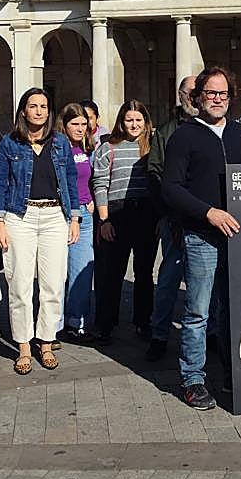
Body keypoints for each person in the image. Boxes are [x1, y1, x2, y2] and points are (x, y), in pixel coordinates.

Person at [162, 67, 241, 410]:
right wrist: (208, 212)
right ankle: (193, 378)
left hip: (237, 238)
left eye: (223, 94)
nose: (217, 100)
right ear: (198, 97)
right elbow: (171, 189)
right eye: (211, 93)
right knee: (197, 312)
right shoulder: (184, 136)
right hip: (202, 236)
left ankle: (233, 373)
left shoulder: (240, 135)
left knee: (235, 310)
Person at [0, 88, 81, 374]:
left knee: (53, 283)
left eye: (43, 106)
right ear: (23, 111)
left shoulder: (60, 143)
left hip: (55, 216)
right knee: (19, 285)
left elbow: (70, 180)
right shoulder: (10, 143)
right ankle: (24, 346)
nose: (39, 111)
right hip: (21, 216)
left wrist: (75, 218)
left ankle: (46, 341)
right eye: (33, 106)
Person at [91, 100, 156, 344]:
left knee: (144, 273)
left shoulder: (151, 146)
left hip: (146, 212)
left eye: (139, 120)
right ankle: (105, 324)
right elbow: (99, 184)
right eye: (129, 119)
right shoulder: (109, 147)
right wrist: (104, 220)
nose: (134, 124)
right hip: (116, 213)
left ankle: (143, 321)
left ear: (145, 122)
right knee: (112, 273)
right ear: (121, 121)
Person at [145, 76, 199, 362]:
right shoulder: (166, 131)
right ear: (180, 95)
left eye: (197, 92)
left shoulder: (211, 128)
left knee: (205, 281)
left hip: (205, 219)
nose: (194, 97)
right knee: (168, 279)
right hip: (174, 219)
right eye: (189, 93)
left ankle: (210, 332)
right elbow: (155, 174)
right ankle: (159, 334)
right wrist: (168, 213)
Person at [58, 103, 96, 344]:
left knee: (82, 271)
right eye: (75, 124)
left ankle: (76, 323)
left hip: (85, 215)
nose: (80, 128)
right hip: (61, 215)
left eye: (84, 124)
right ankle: (53, 325)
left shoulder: (86, 148)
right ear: (64, 124)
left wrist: (90, 199)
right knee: (56, 273)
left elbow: (88, 178)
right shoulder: (58, 147)